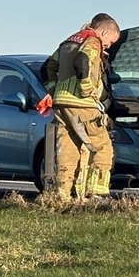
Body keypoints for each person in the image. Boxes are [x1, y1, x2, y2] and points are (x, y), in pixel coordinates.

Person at [42, 14, 121, 200]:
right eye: (109, 42)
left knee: (67, 150)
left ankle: (62, 195)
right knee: (101, 148)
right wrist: (86, 89)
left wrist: (53, 90)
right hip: (82, 104)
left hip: (61, 104)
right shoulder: (92, 41)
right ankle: (96, 194)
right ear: (104, 31)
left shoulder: (69, 41)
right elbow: (82, 61)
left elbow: (48, 67)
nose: (108, 46)